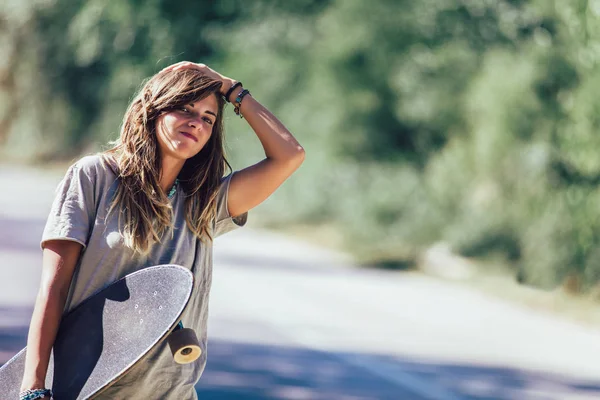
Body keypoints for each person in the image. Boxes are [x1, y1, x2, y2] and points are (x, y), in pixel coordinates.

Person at [19, 61, 305, 400]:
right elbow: (53, 289)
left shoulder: (204, 202)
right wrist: (33, 387)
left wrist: (231, 89)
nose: (195, 122)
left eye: (207, 118)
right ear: (153, 110)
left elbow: (290, 156)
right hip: (88, 388)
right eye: (184, 108)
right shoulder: (94, 177)